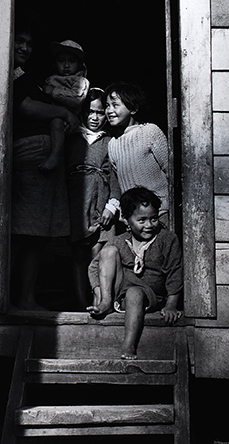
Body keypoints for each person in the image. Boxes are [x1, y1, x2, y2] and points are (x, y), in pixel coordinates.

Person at [10, 24, 81, 311]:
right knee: (26, 231)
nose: (24, 47)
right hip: (33, 153)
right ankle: (18, 298)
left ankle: (25, 298)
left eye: (29, 43)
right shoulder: (10, 74)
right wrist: (62, 112)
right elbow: (26, 107)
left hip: (43, 152)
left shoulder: (24, 75)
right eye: (19, 40)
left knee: (36, 234)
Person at [87, 187, 183, 360]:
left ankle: (129, 345)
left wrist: (171, 305)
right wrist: (99, 293)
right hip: (121, 294)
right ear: (126, 220)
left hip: (149, 295)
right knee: (108, 253)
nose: (149, 225)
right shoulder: (120, 240)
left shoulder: (167, 239)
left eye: (153, 219)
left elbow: (175, 272)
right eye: (142, 220)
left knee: (134, 293)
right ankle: (106, 303)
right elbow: (94, 268)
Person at [64, 88, 120, 308]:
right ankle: (80, 303)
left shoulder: (110, 142)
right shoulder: (72, 139)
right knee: (78, 256)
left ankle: (99, 301)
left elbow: (115, 177)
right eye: (90, 112)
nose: (95, 117)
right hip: (77, 207)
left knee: (97, 257)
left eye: (100, 112)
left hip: (102, 208)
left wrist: (111, 206)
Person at [104, 81, 171, 226]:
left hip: (159, 213)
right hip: (133, 217)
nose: (109, 110)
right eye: (107, 105)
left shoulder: (150, 132)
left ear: (133, 109)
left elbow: (170, 171)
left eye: (115, 105)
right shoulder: (112, 144)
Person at [38, 40, 90, 171]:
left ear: (79, 65)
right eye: (61, 61)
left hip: (67, 120)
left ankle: (54, 156)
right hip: (48, 118)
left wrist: (53, 92)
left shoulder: (80, 81)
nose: (66, 65)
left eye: (72, 61)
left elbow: (77, 98)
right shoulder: (51, 79)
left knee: (57, 122)